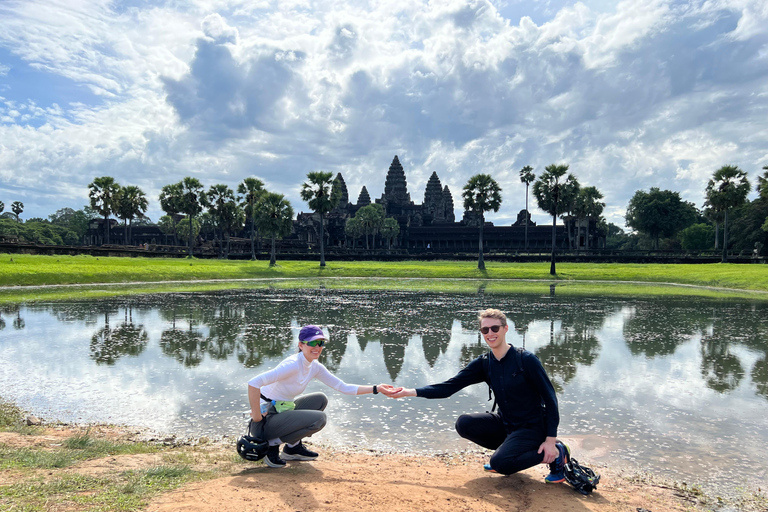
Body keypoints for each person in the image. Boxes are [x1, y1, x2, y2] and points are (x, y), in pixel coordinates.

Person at [382, 308, 570, 482]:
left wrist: (550, 439)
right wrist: (408, 392)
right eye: (485, 330)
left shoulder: (526, 360)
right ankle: (507, 449)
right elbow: (449, 387)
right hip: (506, 424)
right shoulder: (484, 363)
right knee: (464, 424)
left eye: (494, 328)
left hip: (532, 427)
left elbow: (550, 399)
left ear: (505, 329)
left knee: (501, 464)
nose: (490, 334)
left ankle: (558, 452)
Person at [247, 324, 398, 468]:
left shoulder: (314, 366)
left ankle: (292, 448)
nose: (317, 347)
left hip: (282, 411)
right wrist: (257, 417)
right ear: (301, 345)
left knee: (320, 399)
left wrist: (376, 388)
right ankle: (271, 444)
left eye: (320, 343)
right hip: (265, 422)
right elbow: (254, 383)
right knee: (319, 419)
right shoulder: (292, 365)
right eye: (312, 343)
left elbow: (342, 386)